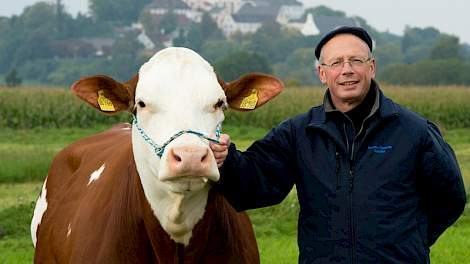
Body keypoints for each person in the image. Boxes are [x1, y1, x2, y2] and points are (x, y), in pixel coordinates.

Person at [210, 26, 467, 264]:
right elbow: (256, 183)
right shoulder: (299, 133)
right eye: (336, 63)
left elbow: (450, 198)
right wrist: (226, 159)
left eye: (356, 60)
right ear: (322, 73)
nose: (347, 70)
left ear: (372, 67)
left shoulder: (414, 130)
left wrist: (413, 241)